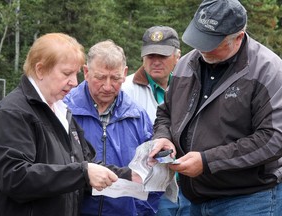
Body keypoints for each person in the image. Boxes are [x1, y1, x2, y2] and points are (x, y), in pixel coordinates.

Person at [149, 0, 282, 215]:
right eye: (199, 38)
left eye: (211, 42)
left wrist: (208, 161)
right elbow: (166, 112)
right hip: (191, 198)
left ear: (238, 37)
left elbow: (274, 138)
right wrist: (163, 136)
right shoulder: (185, 64)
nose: (201, 48)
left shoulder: (268, 71)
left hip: (249, 200)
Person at [0, 33, 138, 216]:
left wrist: (130, 175)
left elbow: (86, 162)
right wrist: (82, 173)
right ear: (40, 70)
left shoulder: (62, 110)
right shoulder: (14, 112)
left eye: (75, 74)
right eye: (66, 73)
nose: (74, 82)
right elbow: (15, 178)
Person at [64, 40, 161, 216]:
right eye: (100, 77)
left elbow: (154, 173)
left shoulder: (138, 117)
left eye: (115, 78)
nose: (108, 86)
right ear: (86, 72)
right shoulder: (64, 110)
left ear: (124, 74)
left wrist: (142, 213)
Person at [122, 25, 190, 215]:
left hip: (189, 185)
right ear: (143, 57)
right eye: (151, 56)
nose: (156, 62)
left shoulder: (193, 88)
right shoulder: (124, 90)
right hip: (148, 188)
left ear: (178, 56)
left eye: (163, 56)